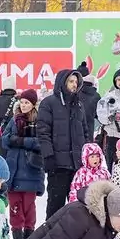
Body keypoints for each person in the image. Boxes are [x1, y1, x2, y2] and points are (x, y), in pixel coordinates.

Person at [38, 68, 91, 218]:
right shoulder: (48, 103)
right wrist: (48, 157)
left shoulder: (79, 105)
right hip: (58, 166)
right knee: (56, 208)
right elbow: (43, 133)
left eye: (76, 82)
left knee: (78, 209)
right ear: (62, 82)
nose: (74, 84)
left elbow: (85, 133)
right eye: (71, 81)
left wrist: (87, 157)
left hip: (77, 166)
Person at [2, 89, 43, 239]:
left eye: (27, 102)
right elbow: (4, 139)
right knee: (15, 206)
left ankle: (29, 232)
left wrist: (22, 141)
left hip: (31, 169)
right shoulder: (14, 120)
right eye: (22, 102)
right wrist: (14, 140)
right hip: (14, 170)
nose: (24, 105)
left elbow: (41, 142)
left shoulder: (38, 120)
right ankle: (17, 235)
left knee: (29, 206)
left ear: (33, 105)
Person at [79, 74, 101, 140]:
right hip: (89, 127)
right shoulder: (96, 95)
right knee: (88, 147)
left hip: (76, 126)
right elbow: (99, 113)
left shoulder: (76, 93)